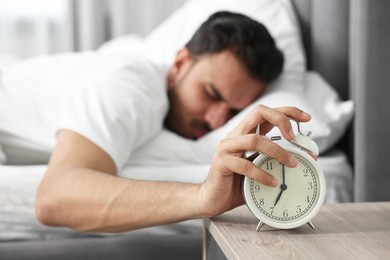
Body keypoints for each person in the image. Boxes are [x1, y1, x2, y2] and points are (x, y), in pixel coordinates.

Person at [0, 11, 310, 232]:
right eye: (210, 93)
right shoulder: (135, 89)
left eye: (232, 112)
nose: (216, 119)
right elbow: (55, 198)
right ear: (179, 63)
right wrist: (201, 197)